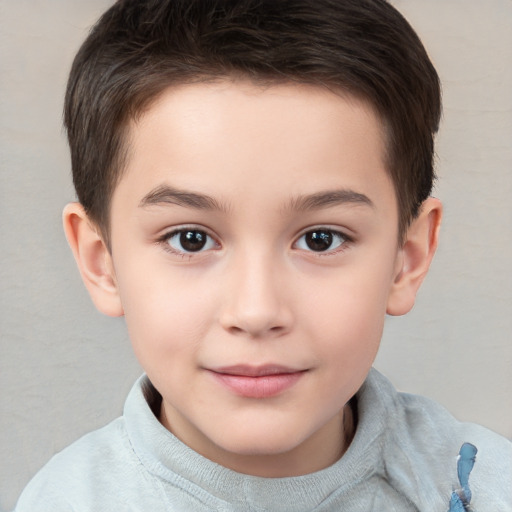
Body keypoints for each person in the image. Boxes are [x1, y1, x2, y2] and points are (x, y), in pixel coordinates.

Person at [14, 0, 511, 510]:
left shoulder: (492, 487)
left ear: (407, 257)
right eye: (191, 239)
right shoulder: (62, 501)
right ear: (102, 262)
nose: (256, 311)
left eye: (321, 239)